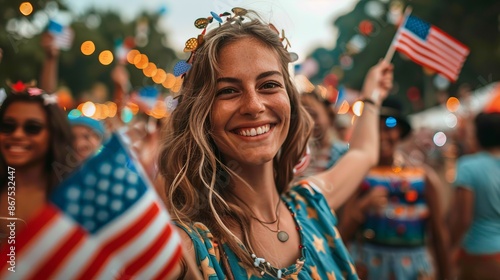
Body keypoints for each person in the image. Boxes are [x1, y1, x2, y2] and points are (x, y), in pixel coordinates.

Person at [157, 8, 393, 279]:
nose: (254, 106)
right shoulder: (189, 249)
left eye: (268, 85)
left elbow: (363, 152)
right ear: (200, 115)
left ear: (291, 101)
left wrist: (372, 95)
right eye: (228, 91)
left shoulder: (311, 204)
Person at [338, 96, 450, 280]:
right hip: (367, 270)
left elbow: (439, 234)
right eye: (375, 126)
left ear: (400, 131)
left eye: (389, 125)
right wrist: (364, 205)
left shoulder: (423, 176)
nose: (382, 135)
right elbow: (341, 236)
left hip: (414, 273)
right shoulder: (358, 175)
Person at [0, 86, 74, 235]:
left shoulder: (73, 197)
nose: (17, 135)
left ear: (53, 134)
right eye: (7, 126)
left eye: (32, 128)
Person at [449, 111, 500, 279]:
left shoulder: (468, 167)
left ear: (478, 135)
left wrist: (448, 246)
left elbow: (463, 219)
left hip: (479, 253)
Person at [299, 88, 349, 176]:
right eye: (302, 117)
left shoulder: (344, 153)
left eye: (313, 115)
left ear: (329, 116)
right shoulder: (296, 154)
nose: (309, 122)